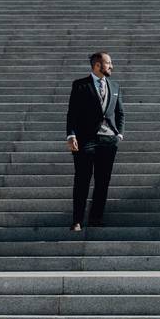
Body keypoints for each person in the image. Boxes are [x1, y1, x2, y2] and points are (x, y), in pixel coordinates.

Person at [66, 52, 124, 231]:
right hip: (86, 140)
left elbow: (120, 112)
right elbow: (72, 113)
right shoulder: (80, 85)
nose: (111, 66)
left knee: (103, 181)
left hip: (108, 140)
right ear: (97, 65)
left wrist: (119, 134)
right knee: (82, 180)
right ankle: (77, 220)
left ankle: (96, 218)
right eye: (108, 63)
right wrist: (71, 135)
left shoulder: (114, 86)